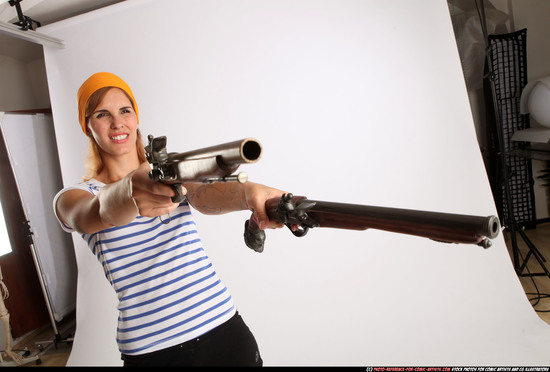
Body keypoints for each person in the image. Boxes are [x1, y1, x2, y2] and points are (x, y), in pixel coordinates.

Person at [53, 72, 287, 367]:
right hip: (152, 352)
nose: (117, 122)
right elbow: (95, 213)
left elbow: (206, 195)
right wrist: (129, 191)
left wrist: (250, 192)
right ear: (87, 126)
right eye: (102, 114)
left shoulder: (170, 172)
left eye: (125, 110)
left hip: (222, 329)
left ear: (136, 117)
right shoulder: (73, 196)